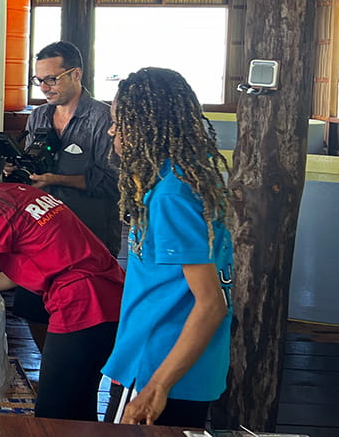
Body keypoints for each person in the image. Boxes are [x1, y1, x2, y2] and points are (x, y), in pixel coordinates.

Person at [0, 150, 124, 422]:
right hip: (109, 294)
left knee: (53, 416)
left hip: (82, 304)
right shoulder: (13, 192)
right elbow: (23, 269)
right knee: (78, 407)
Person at [102, 67, 233, 428]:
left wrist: (157, 386)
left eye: (119, 123)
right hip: (186, 369)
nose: (113, 131)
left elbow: (210, 305)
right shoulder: (187, 176)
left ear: (144, 126)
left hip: (156, 366)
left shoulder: (171, 195)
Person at [9, 40, 120, 350]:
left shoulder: (103, 119)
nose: (44, 87)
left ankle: (82, 376)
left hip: (90, 235)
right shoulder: (39, 117)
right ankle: (50, 365)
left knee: (87, 317)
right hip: (42, 235)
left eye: (51, 79)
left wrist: (56, 179)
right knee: (33, 307)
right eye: (39, 80)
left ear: (76, 74)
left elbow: (111, 181)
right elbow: (32, 168)